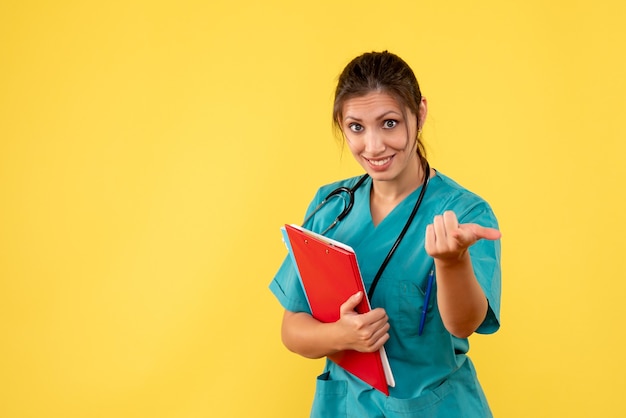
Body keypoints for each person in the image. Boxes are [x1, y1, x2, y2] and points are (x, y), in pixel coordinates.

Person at [269, 51, 502, 417]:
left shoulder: (464, 214)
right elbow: (292, 328)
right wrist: (341, 337)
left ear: (419, 113)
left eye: (389, 123)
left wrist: (451, 262)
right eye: (357, 127)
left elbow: (464, 324)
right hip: (345, 407)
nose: (373, 146)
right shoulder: (330, 208)